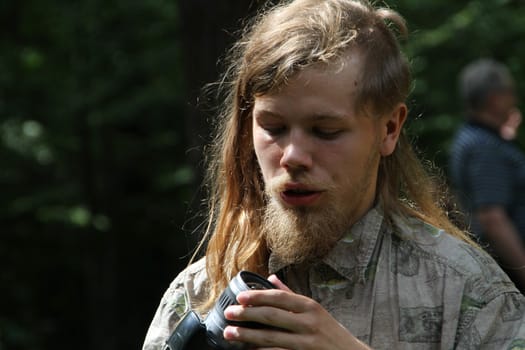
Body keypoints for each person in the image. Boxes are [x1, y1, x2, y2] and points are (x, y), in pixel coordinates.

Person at [144, 1, 525, 349]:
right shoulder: (198, 293)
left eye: (325, 131)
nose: (293, 156)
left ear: (389, 129)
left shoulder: (467, 292)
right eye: (273, 128)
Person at [449, 58, 525, 294]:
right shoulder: (484, 148)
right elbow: (493, 218)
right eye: (510, 93)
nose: (514, 99)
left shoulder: (477, 138)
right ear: (495, 99)